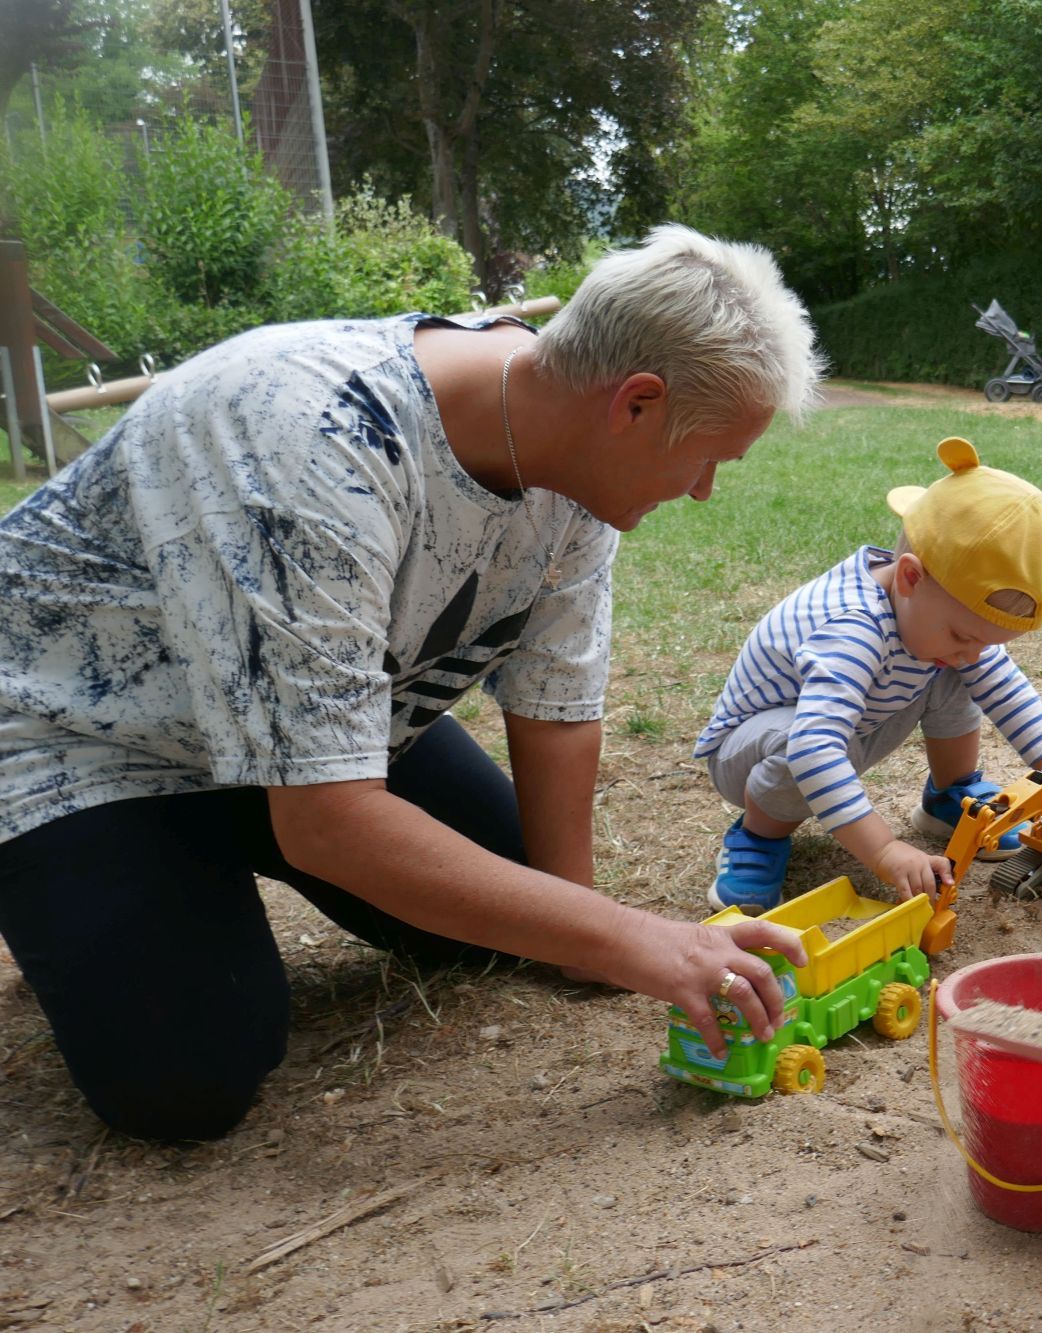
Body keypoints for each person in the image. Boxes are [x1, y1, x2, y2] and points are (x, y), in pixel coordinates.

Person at [0, 224, 825, 1142]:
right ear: (634, 402)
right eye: (709, 456)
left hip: (312, 724)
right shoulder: (312, 441)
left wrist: (596, 938)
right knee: (187, 1076)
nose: (705, 488)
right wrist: (636, 938)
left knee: (524, 913)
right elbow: (327, 820)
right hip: (78, 737)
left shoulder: (574, 457)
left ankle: (227, 825)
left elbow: (555, 704)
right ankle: (98, 869)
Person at [696, 436, 1042, 911]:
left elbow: (1003, 686)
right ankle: (758, 838)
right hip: (752, 754)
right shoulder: (853, 628)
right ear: (909, 577)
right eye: (965, 635)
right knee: (795, 738)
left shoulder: (933, 616)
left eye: (986, 642)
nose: (973, 652)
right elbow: (812, 745)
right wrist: (884, 850)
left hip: (850, 729)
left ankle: (951, 794)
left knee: (957, 672)